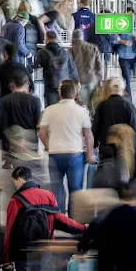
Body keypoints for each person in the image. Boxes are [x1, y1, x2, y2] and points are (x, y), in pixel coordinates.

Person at [4, 166, 86, 271]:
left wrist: (8, 258)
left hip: (22, 251)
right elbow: (61, 220)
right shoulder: (48, 195)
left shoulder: (15, 201)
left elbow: (9, 231)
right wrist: (83, 228)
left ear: (19, 180)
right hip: (45, 248)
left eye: (14, 182)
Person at [39, 80, 95, 215]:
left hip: (55, 154)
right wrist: (89, 155)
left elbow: (41, 133)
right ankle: (73, 220)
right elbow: (88, 135)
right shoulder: (82, 111)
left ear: (60, 94)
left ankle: (58, 219)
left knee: (56, 188)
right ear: (75, 94)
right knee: (75, 190)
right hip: (75, 155)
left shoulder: (49, 110)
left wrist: (48, 146)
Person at [0, 69, 42, 172]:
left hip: (13, 142)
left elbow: (3, 124)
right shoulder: (35, 100)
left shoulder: (6, 100)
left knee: (17, 173)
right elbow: (38, 123)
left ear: (13, 85)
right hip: (31, 141)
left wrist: (3, 146)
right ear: (27, 84)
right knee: (29, 171)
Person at [92, 77, 136, 152]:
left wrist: (94, 144)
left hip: (106, 148)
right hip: (125, 149)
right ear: (123, 90)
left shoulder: (102, 105)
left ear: (110, 90)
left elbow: (95, 127)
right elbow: (135, 130)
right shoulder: (129, 106)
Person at [35, 30, 79, 107]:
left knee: (51, 107)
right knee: (65, 106)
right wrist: (76, 81)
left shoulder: (42, 52)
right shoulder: (65, 52)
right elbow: (72, 68)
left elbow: (35, 65)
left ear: (46, 39)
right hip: (64, 84)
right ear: (56, 39)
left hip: (50, 84)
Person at [69, 29, 103, 108]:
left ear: (73, 38)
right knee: (92, 105)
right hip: (92, 79)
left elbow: (69, 67)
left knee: (80, 106)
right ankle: (91, 119)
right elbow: (99, 66)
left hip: (78, 82)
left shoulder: (71, 50)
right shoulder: (93, 48)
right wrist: (101, 80)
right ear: (82, 37)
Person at [114, 27, 136, 101]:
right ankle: (129, 99)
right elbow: (113, 37)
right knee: (127, 78)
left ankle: (134, 71)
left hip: (134, 55)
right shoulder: (120, 25)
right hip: (123, 56)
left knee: (131, 75)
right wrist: (122, 41)